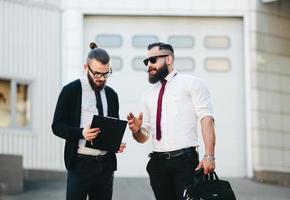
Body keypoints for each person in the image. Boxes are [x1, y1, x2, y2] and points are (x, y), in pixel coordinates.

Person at [127, 42, 216, 200]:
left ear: (168, 59)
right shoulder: (147, 94)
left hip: (185, 162)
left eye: (153, 59)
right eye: (146, 61)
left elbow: (206, 118)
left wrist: (209, 155)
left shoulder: (191, 83)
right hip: (157, 163)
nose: (149, 65)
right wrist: (137, 131)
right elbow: (144, 137)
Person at [52, 42, 125, 200]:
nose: (102, 79)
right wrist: (81, 133)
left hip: (106, 166)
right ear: (86, 67)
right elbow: (57, 126)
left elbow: (113, 125)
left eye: (106, 74)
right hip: (80, 165)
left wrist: (115, 143)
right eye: (97, 73)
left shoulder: (112, 95)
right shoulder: (70, 91)